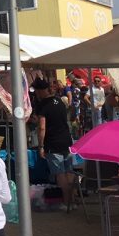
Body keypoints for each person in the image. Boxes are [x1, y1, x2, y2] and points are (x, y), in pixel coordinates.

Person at [33, 77, 75, 211]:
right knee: (69, 171)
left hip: (53, 142)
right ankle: (73, 201)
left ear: (40, 91)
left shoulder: (43, 105)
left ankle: (66, 202)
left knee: (60, 173)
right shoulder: (60, 100)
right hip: (67, 140)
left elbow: (42, 127)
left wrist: (41, 146)